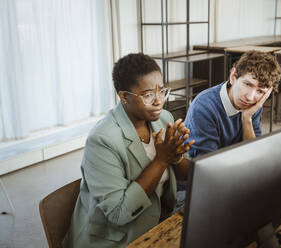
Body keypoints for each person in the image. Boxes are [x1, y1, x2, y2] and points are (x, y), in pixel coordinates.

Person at [63, 53, 194, 248]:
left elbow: (186, 176)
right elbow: (118, 213)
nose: (158, 101)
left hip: (157, 222)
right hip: (116, 239)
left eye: (161, 91)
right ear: (124, 96)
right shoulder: (102, 140)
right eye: (148, 94)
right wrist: (161, 160)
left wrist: (176, 157)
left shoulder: (163, 118)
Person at [184, 51, 281, 157]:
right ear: (232, 77)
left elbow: (253, 153)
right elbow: (207, 163)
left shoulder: (254, 104)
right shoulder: (204, 107)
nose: (250, 97)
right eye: (247, 84)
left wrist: (247, 118)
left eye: (260, 91)